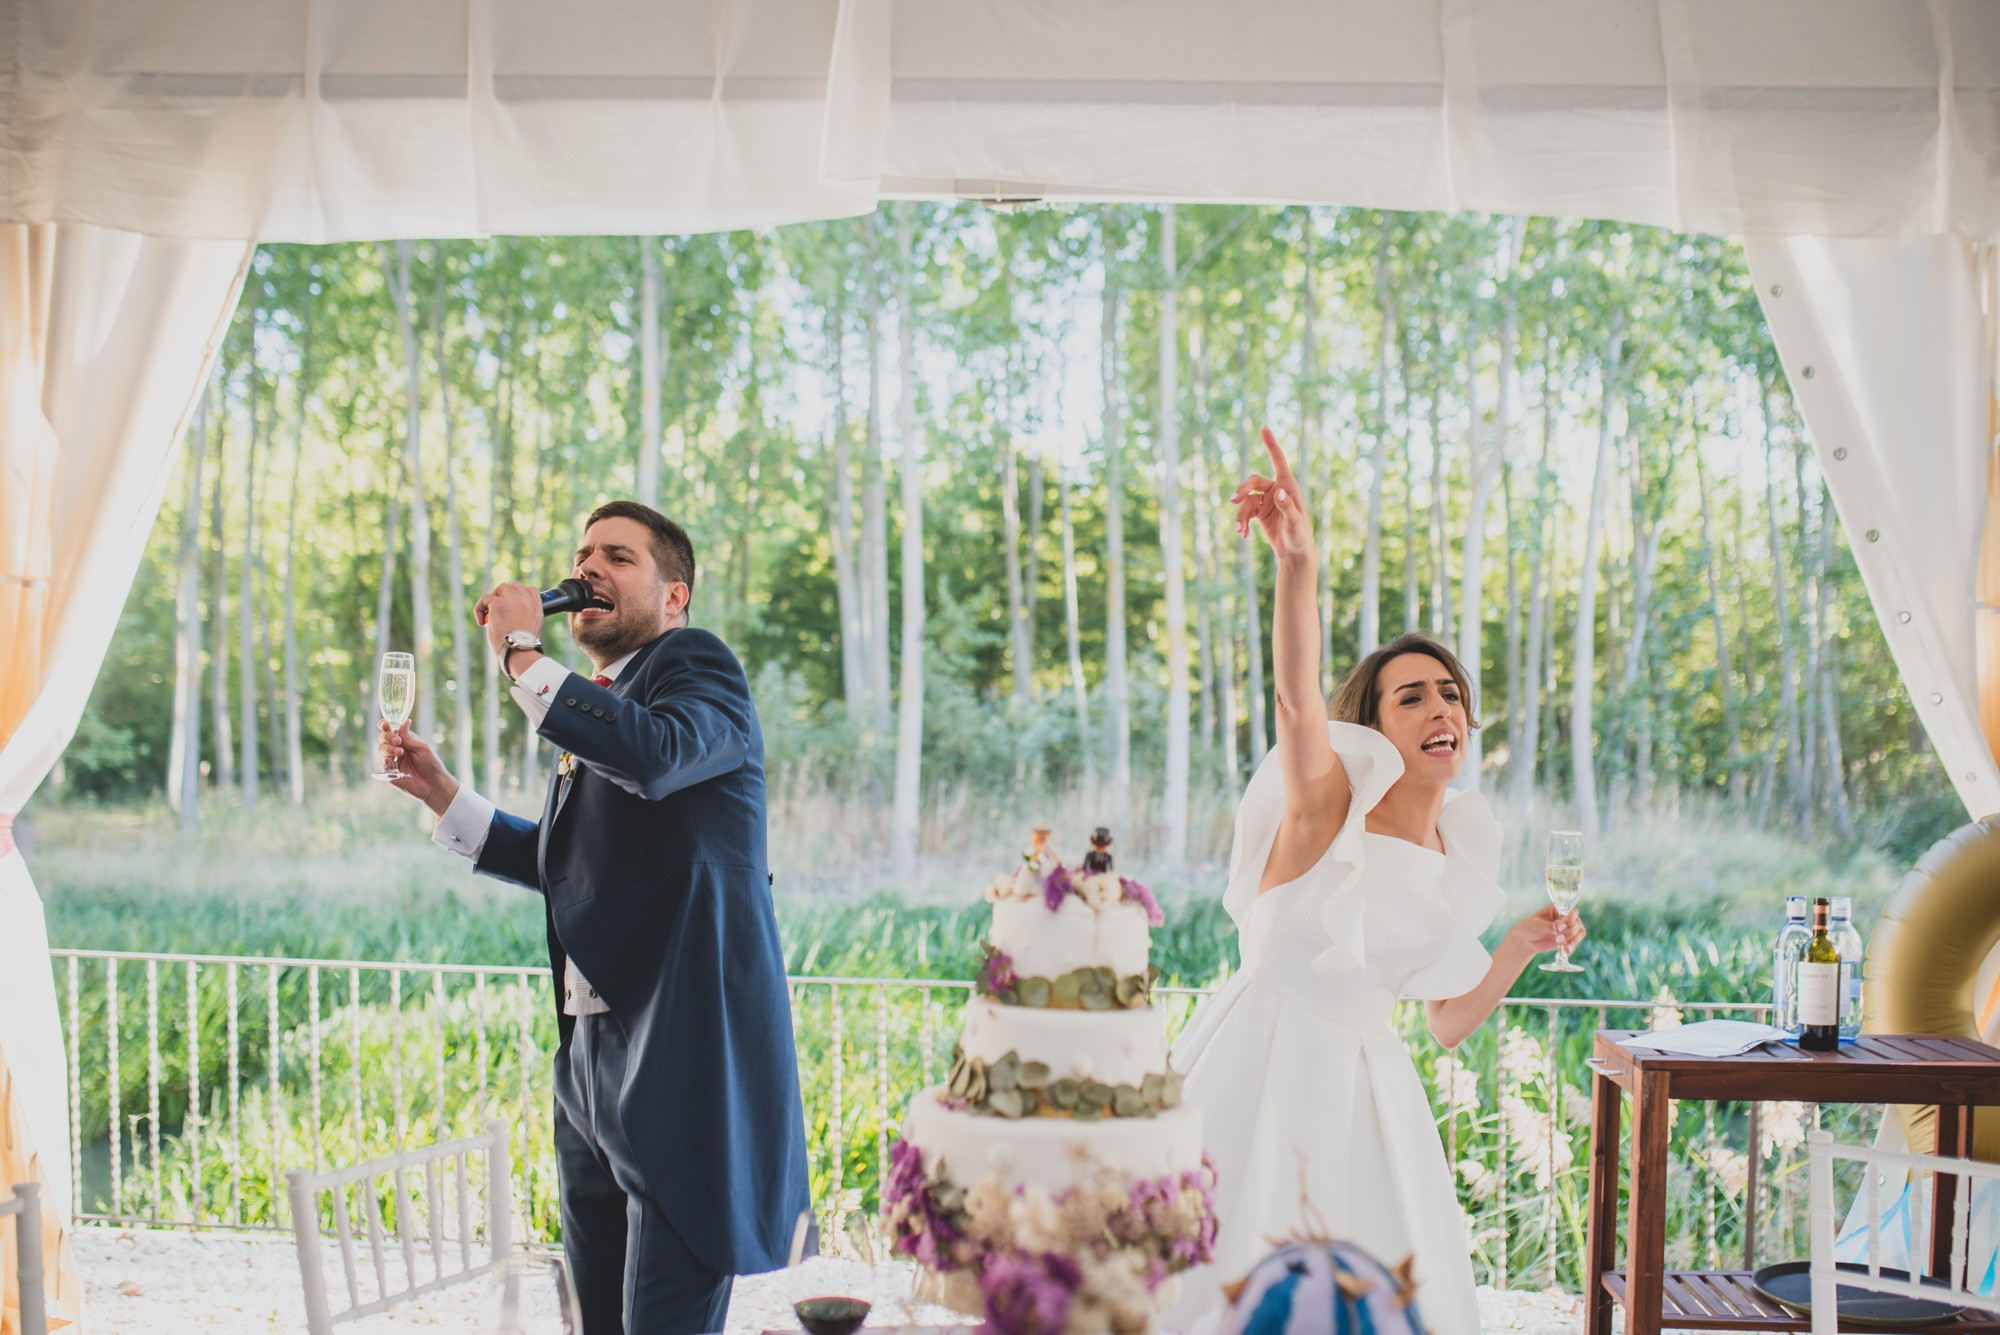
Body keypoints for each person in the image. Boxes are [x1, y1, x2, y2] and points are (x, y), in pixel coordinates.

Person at [1164, 431, 1586, 1335]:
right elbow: (1296, 698)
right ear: (1377, 723)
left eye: (1450, 693)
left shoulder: (1456, 844)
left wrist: (1518, 942)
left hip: (1366, 1086)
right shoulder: (1327, 802)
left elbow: (1443, 1021)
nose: (1442, 708)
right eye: (1413, 696)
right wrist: (1298, 565)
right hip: (1259, 1062)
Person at [380, 500, 810, 1335]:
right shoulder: (600, 709)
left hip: (677, 1049)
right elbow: (565, 864)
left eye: (618, 556)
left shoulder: (696, 669)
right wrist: (442, 795)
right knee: (598, 1320)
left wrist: (519, 652)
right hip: (587, 1056)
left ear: (674, 595)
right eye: (583, 555)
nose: (588, 571)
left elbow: (652, 755)